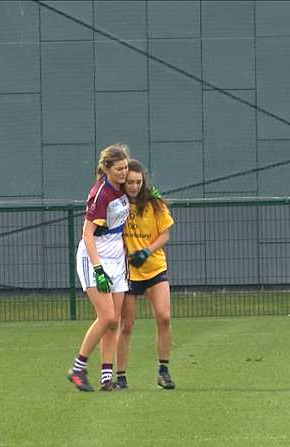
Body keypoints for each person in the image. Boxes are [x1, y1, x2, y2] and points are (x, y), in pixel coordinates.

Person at [67, 144, 130, 392]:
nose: (124, 173)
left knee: (113, 322)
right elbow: (88, 233)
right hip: (96, 257)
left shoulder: (123, 187)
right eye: (119, 169)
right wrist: (98, 269)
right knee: (107, 316)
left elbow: (139, 188)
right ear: (106, 169)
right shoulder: (101, 194)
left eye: (125, 167)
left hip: (117, 258)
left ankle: (106, 378)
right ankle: (77, 368)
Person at [115, 159, 176, 390]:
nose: (134, 186)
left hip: (154, 268)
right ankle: (120, 376)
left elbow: (165, 235)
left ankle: (163, 370)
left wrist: (146, 251)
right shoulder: (116, 203)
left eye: (138, 182)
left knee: (164, 317)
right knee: (127, 324)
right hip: (129, 273)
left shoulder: (154, 203)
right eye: (130, 182)